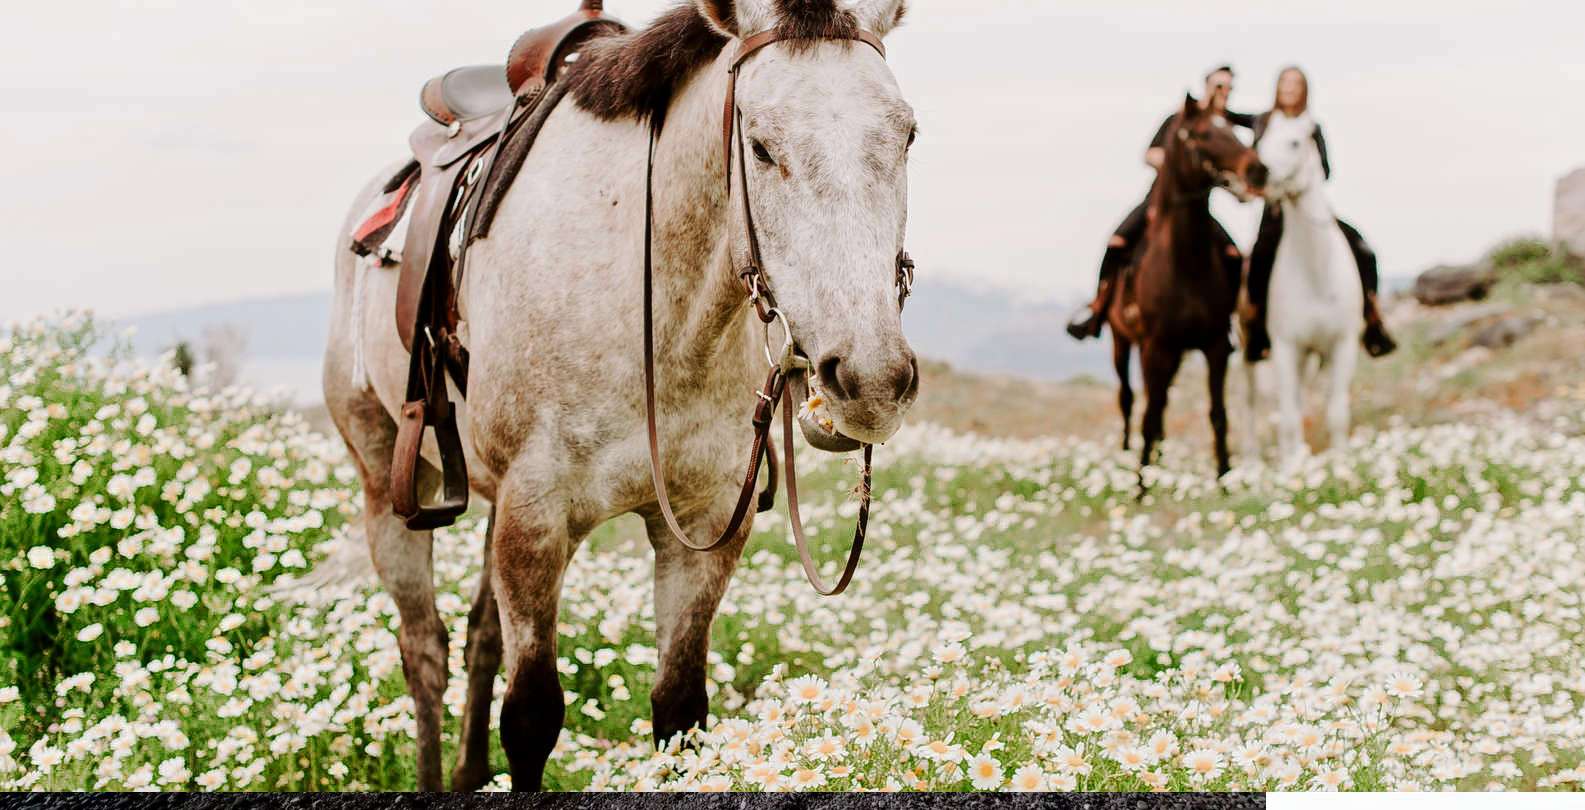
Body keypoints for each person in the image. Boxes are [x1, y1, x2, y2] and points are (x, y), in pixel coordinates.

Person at [1067, 65, 1254, 341]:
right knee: (1117, 242)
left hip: (1199, 210)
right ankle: (1099, 306)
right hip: (1160, 201)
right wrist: (1179, 164)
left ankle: (1227, 319)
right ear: (1206, 86)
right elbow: (1150, 154)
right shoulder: (1179, 119)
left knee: (1232, 255)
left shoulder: (1222, 129)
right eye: (1219, 86)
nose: (1224, 93)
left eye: (1228, 88)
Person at [1242, 66, 1396, 361]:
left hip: (1309, 207)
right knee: (1260, 258)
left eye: (1295, 84)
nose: (1289, 88)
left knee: (1363, 250)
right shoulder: (1263, 121)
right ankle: (1258, 327)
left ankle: (1372, 317)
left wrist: (1302, 176)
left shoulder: (1312, 126)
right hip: (1275, 210)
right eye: (1285, 82)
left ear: (1304, 90)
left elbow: (1326, 169)